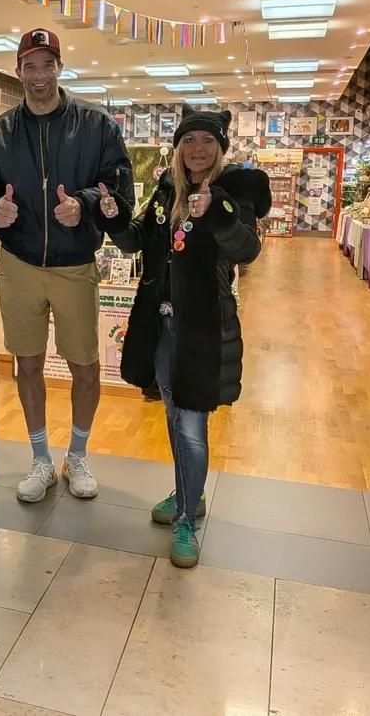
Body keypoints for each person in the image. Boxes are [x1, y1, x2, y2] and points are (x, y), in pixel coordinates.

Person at [0, 28, 134, 503]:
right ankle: (40, 459)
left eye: (47, 65)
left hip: (75, 264)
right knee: (27, 363)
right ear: (17, 70)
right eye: (30, 66)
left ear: (60, 67)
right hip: (19, 264)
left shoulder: (97, 126)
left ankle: (76, 455)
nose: (39, 75)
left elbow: (120, 191)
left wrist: (84, 204)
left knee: (85, 365)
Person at [113, 106, 271, 568]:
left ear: (220, 148)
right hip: (160, 325)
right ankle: (191, 493)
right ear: (178, 147)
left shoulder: (232, 192)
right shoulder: (167, 189)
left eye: (206, 141)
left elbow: (248, 249)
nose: (197, 149)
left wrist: (217, 214)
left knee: (191, 425)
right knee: (172, 414)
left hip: (203, 328)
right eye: (189, 140)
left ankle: (186, 519)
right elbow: (136, 238)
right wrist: (112, 216)